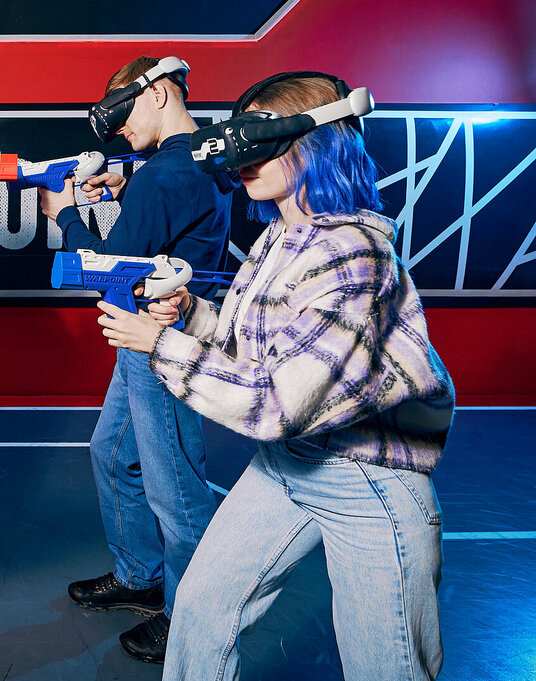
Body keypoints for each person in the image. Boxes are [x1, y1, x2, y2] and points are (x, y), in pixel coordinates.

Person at [97, 72, 452, 681]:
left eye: (260, 139)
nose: (243, 158)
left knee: (385, 668)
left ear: (315, 141)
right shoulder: (280, 237)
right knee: (199, 613)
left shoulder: (352, 253)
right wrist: (190, 314)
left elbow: (278, 403)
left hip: (366, 479)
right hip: (288, 466)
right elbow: (259, 347)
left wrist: (159, 345)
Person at [38, 55, 233, 663]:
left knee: (176, 491)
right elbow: (174, 206)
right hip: (147, 337)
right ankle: (140, 575)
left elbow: (104, 272)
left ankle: (189, 614)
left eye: (123, 111)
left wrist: (65, 214)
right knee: (111, 452)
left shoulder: (163, 175)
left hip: (160, 341)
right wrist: (131, 184)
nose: (118, 128)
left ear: (160, 93)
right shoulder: (203, 158)